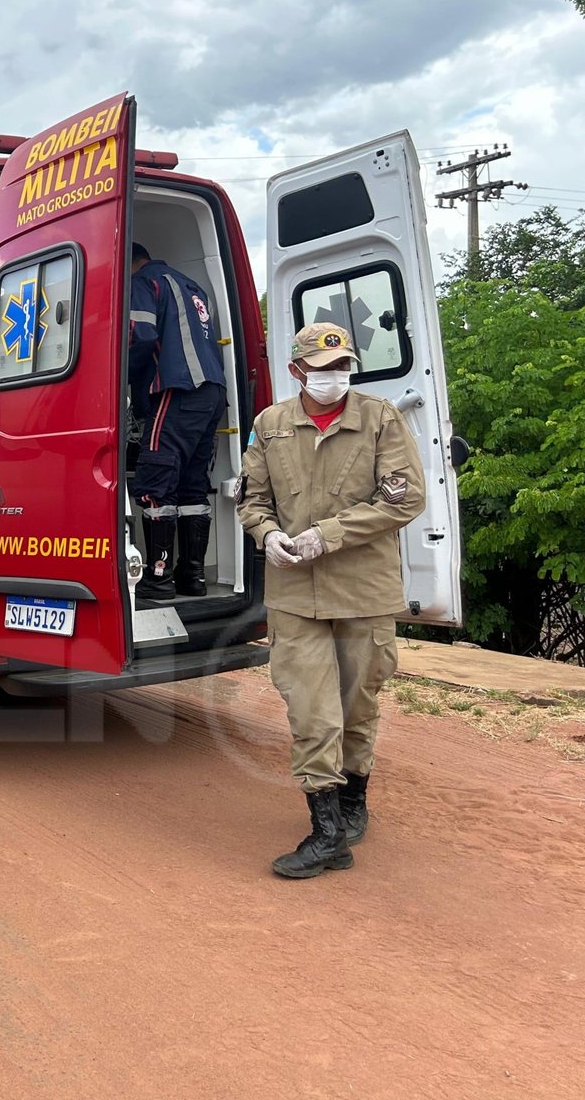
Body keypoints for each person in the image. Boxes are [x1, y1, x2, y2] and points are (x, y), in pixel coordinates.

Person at [237, 321, 426, 879]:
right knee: (312, 712)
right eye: (321, 370)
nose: (333, 378)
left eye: (342, 367)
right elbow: (252, 499)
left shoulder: (380, 418)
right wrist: (266, 535)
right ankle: (326, 835)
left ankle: (352, 803)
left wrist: (328, 534)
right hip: (294, 593)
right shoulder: (269, 426)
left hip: (363, 590)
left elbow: (404, 497)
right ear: (297, 371)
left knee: (356, 705)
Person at [128, 243, 228, 603]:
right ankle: (193, 579)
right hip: (212, 393)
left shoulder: (145, 280)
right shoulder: (191, 285)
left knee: (156, 481)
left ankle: (157, 581)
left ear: (130, 262)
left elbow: (138, 336)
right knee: (191, 486)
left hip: (176, 388)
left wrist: (119, 377)